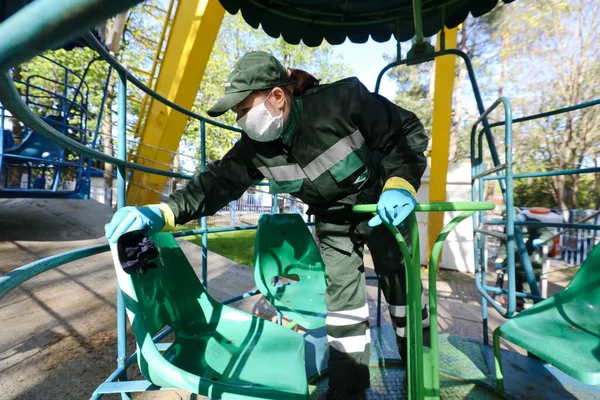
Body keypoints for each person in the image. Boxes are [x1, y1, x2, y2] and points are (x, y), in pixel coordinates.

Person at [105, 51, 429, 400]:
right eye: (238, 115)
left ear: (277, 97)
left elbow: (405, 132)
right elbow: (214, 184)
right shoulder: (255, 149)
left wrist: (399, 184)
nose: (241, 120)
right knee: (343, 308)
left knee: (404, 297)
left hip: (384, 210)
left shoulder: (342, 100)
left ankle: (420, 377)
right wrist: (161, 212)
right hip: (334, 222)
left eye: (244, 110)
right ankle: (348, 392)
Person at [495, 207, 559, 310]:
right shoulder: (508, 227)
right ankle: (517, 308)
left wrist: (540, 240)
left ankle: (529, 309)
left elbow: (546, 234)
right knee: (515, 287)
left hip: (532, 262)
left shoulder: (532, 223)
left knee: (529, 288)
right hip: (515, 263)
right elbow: (504, 244)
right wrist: (500, 260)